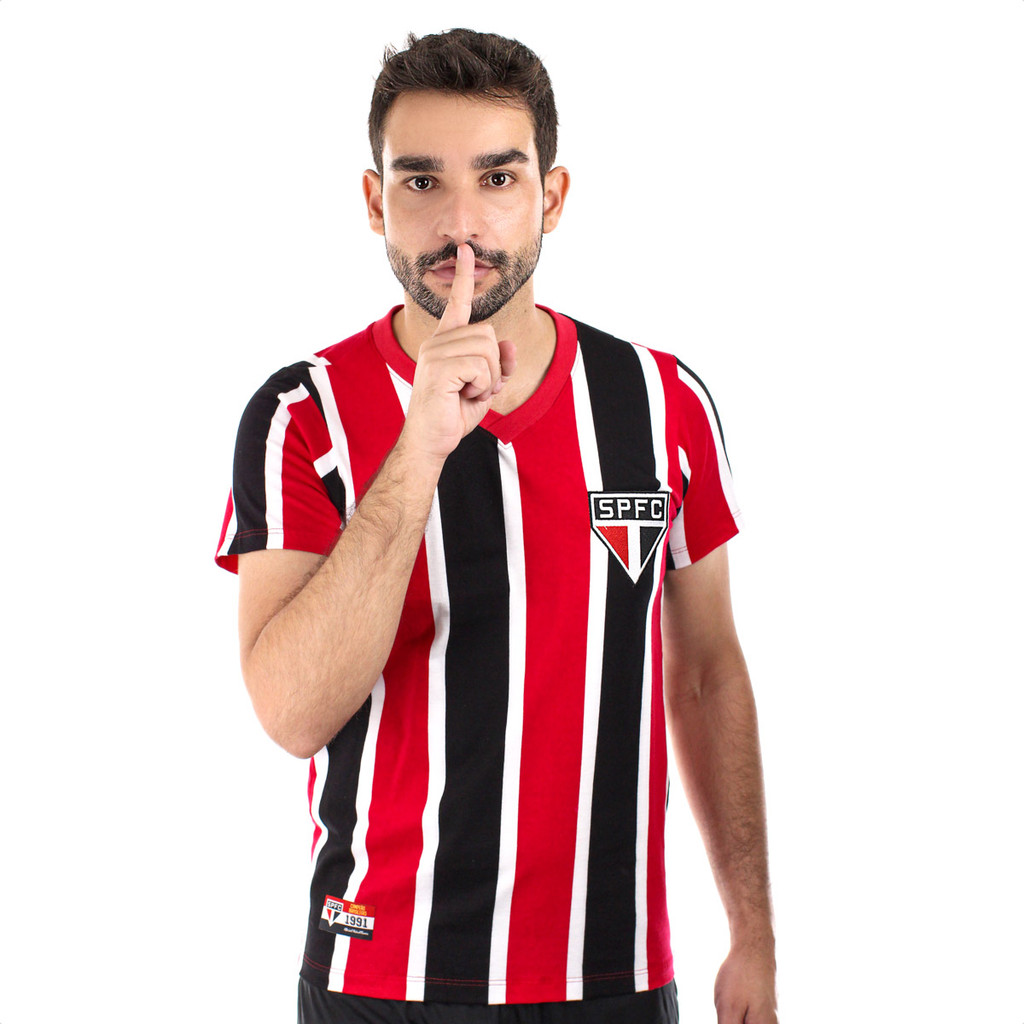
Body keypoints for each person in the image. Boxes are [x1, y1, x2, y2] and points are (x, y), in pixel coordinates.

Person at [216, 28, 777, 1024]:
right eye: (422, 181)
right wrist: (419, 448)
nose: (461, 224)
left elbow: (705, 673)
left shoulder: (661, 403)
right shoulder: (303, 414)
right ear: (375, 201)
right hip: (381, 978)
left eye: (498, 178)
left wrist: (753, 934)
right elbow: (292, 713)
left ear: (550, 198)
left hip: (610, 974)